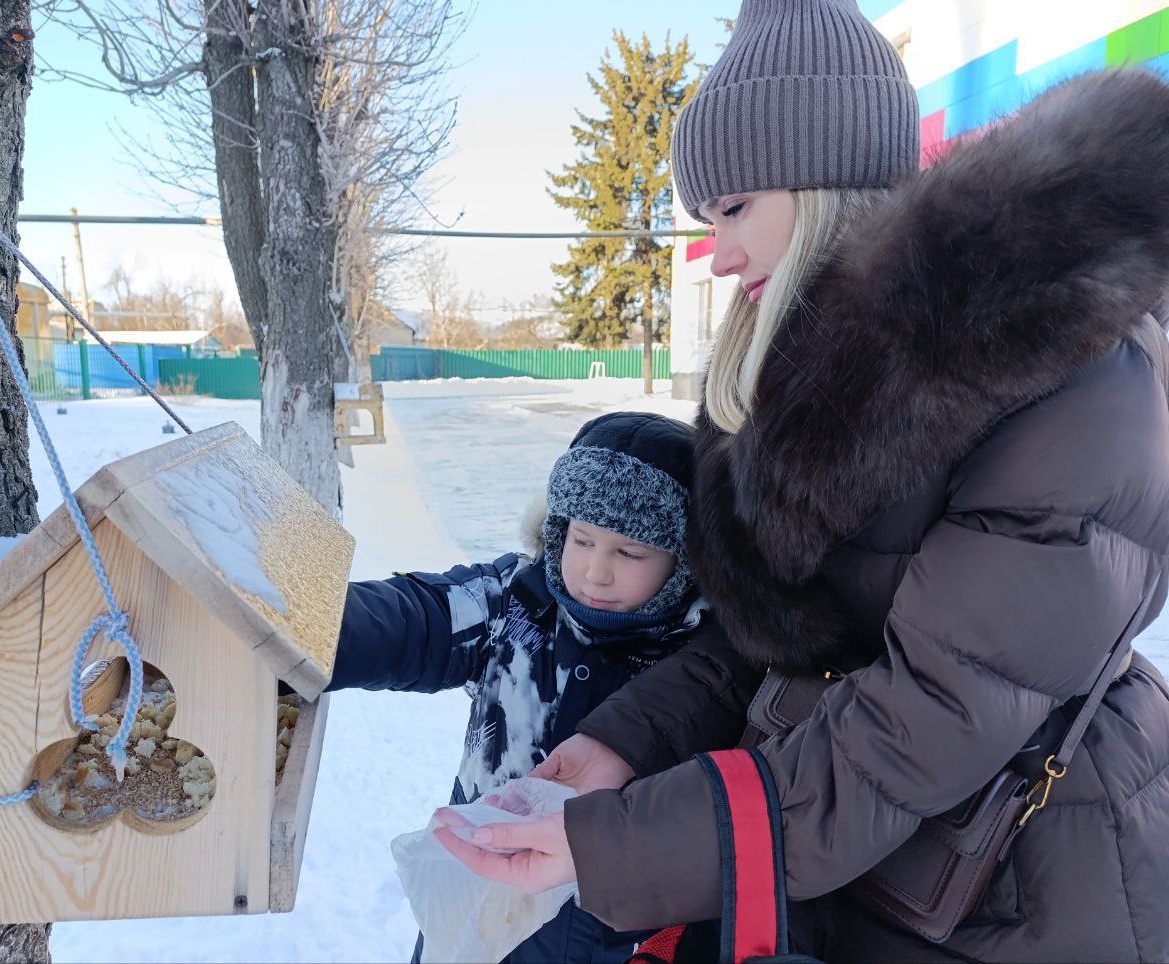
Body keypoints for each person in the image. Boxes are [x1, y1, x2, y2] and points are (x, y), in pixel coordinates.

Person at [435, 2, 1169, 961]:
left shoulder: (1058, 367)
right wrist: (627, 741)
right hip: (846, 864)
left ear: (829, 179)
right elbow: (784, 638)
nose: (718, 252)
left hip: (1022, 896)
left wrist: (621, 846)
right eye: (707, 219)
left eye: (736, 207)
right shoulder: (804, 379)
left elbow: (930, 719)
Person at [329, 410, 719, 963]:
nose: (596, 572)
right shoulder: (513, 603)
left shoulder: (699, 663)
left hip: (609, 934)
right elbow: (416, 618)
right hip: (474, 901)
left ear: (684, 561)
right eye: (582, 540)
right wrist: (312, 630)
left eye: (630, 552)